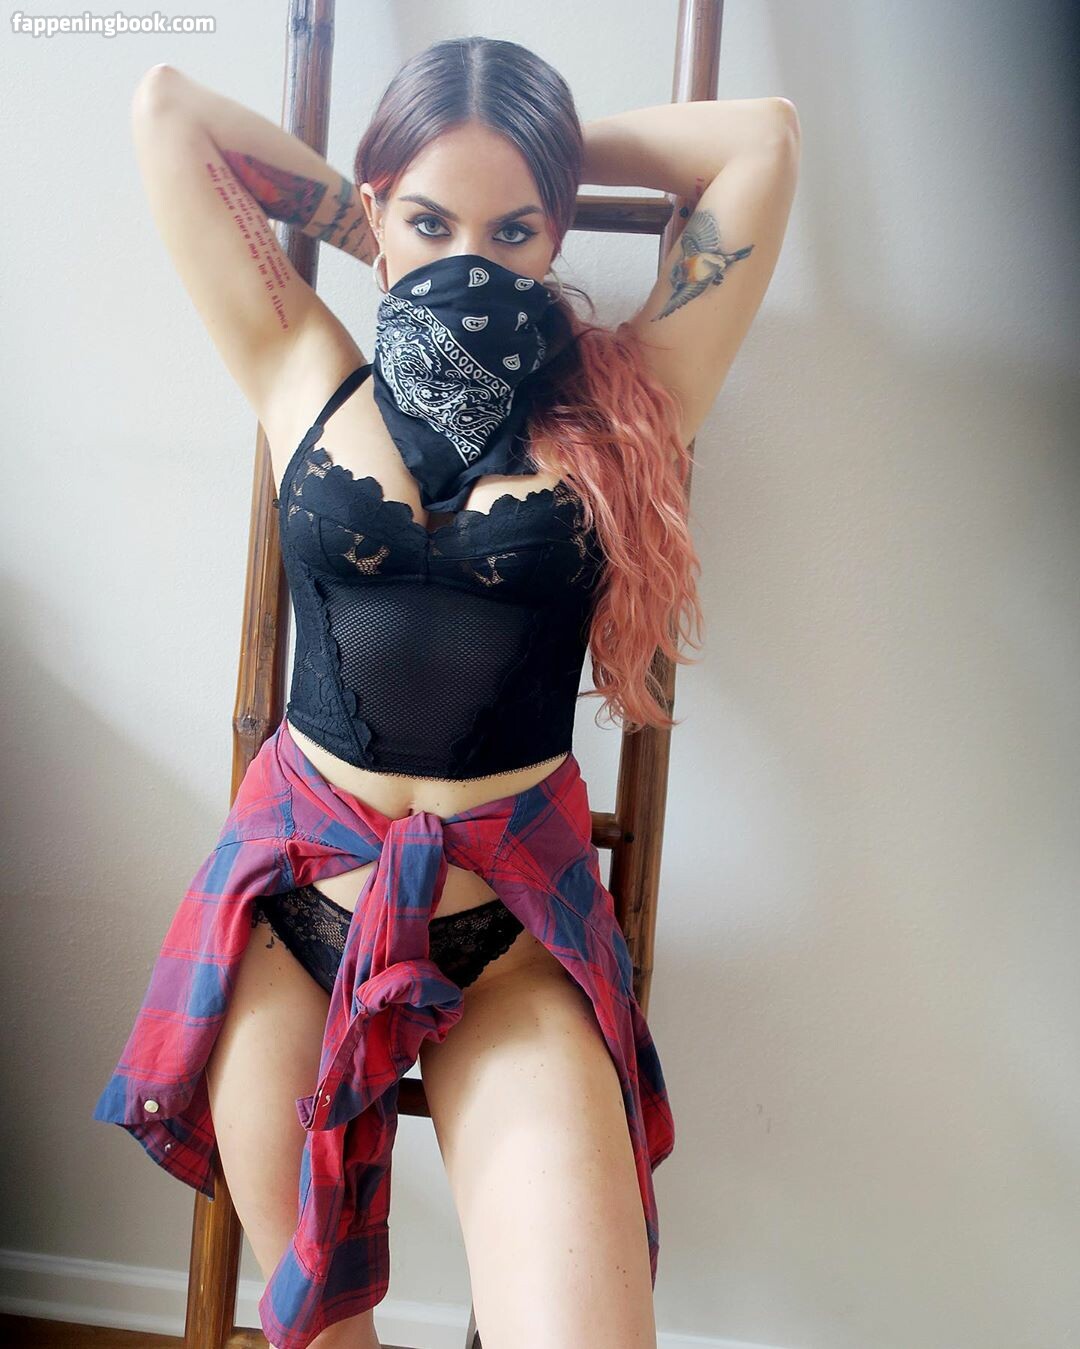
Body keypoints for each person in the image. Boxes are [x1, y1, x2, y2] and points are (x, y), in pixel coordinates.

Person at [100, 34, 800, 1349]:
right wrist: (376, 228)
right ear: (380, 214)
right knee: (323, 1334)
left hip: (510, 929)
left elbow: (761, 139)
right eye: (431, 221)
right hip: (294, 909)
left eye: (514, 228)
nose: (469, 260)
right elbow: (169, 111)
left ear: (554, 232)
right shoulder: (301, 365)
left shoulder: (633, 398)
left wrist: (544, 148)